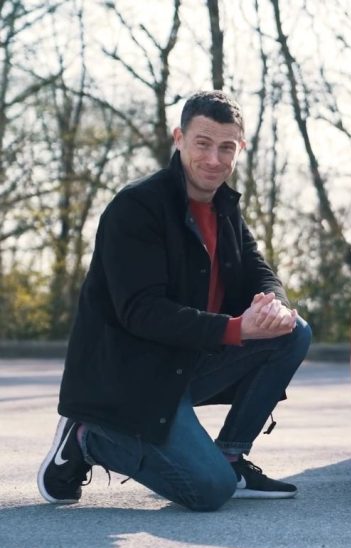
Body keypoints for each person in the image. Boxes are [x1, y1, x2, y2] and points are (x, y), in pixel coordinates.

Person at [37, 91, 312, 512]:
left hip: (184, 363)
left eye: (226, 147)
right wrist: (236, 328)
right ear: (179, 138)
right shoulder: (137, 207)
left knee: (292, 331)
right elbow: (141, 311)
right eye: (203, 143)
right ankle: (87, 437)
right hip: (131, 379)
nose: (214, 159)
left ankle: (231, 457)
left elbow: (258, 270)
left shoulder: (225, 207)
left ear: (240, 148)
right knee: (209, 491)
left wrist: (273, 305)